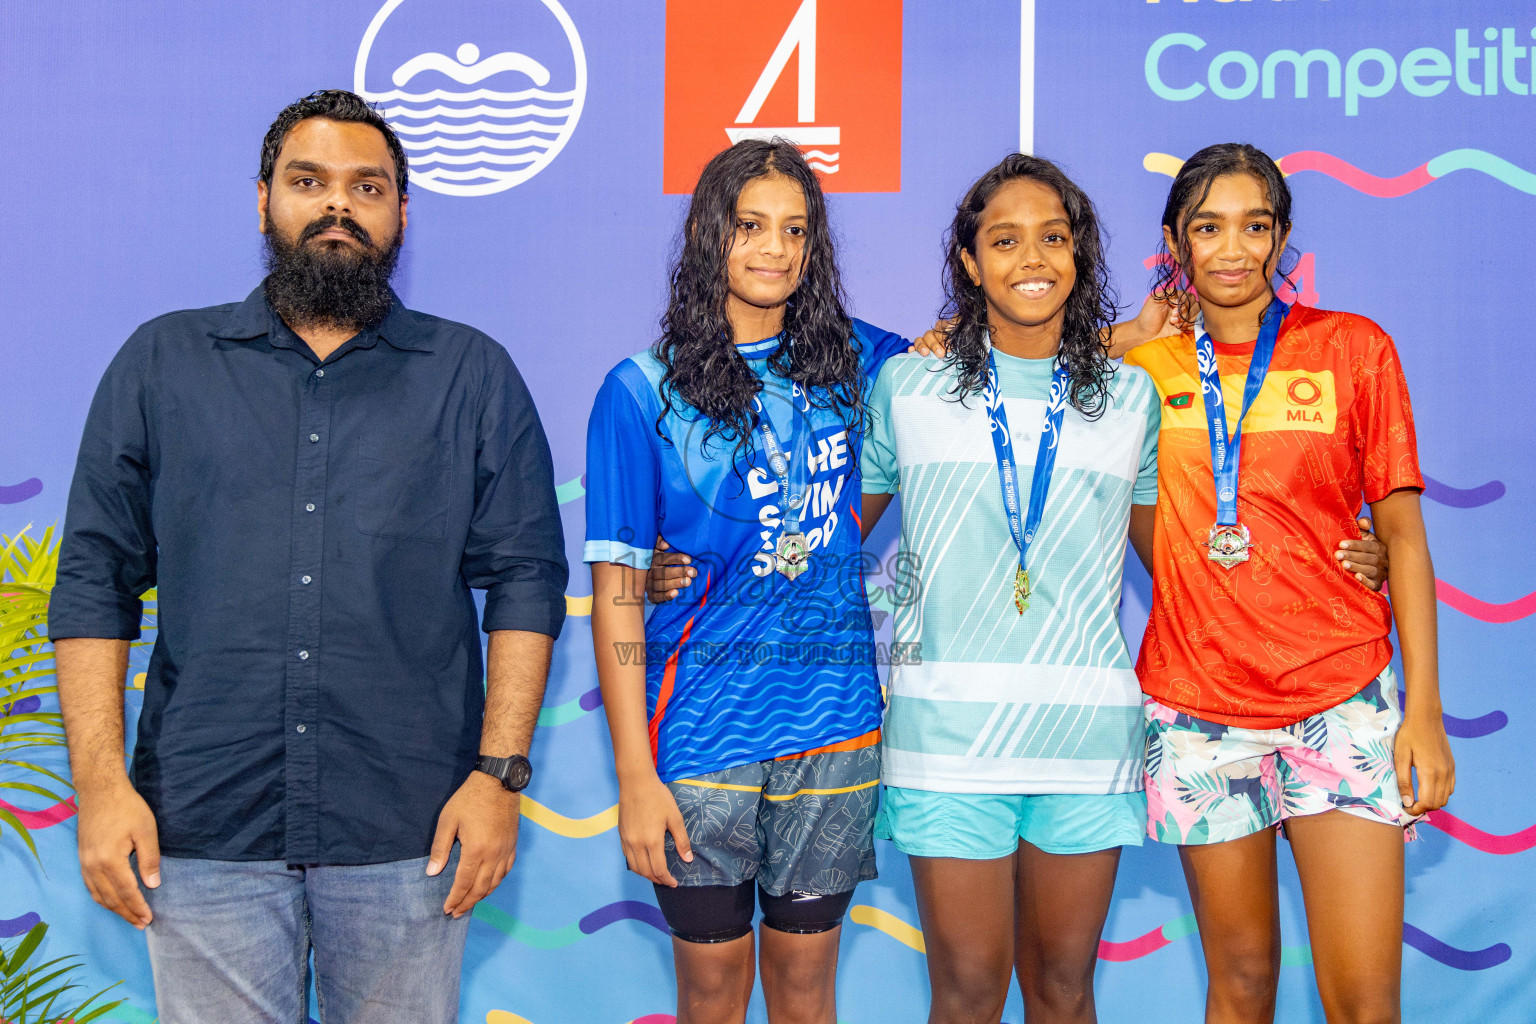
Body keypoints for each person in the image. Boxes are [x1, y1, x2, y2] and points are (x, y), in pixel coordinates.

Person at [49, 90, 568, 1024]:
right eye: (308, 181)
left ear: (401, 213)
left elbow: (527, 581)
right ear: (264, 201)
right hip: (202, 826)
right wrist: (99, 787)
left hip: (413, 829)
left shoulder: (471, 374)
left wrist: (497, 780)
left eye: (366, 187)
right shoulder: (163, 362)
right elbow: (95, 580)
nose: (338, 205)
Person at [1122, 143, 1454, 1024]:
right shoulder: (1138, 371)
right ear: (1175, 244)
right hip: (1198, 712)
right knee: (1238, 988)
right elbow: (1023, 364)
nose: (1231, 249)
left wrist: (1423, 711)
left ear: (1283, 240)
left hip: (1340, 697)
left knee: (1364, 1003)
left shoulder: (1353, 348)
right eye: (1207, 228)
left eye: (1254, 226)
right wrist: (1129, 333)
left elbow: (1405, 538)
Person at [585, 138, 912, 1024]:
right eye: (749, 226)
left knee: (808, 997)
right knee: (713, 996)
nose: (773, 248)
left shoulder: (861, 364)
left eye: (794, 230)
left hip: (837, 732)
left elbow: (999, 353)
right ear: (705, 234)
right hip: (700, 742)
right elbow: (616, 589)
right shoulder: (640, 391)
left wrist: (1125, 334)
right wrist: (635, 778)